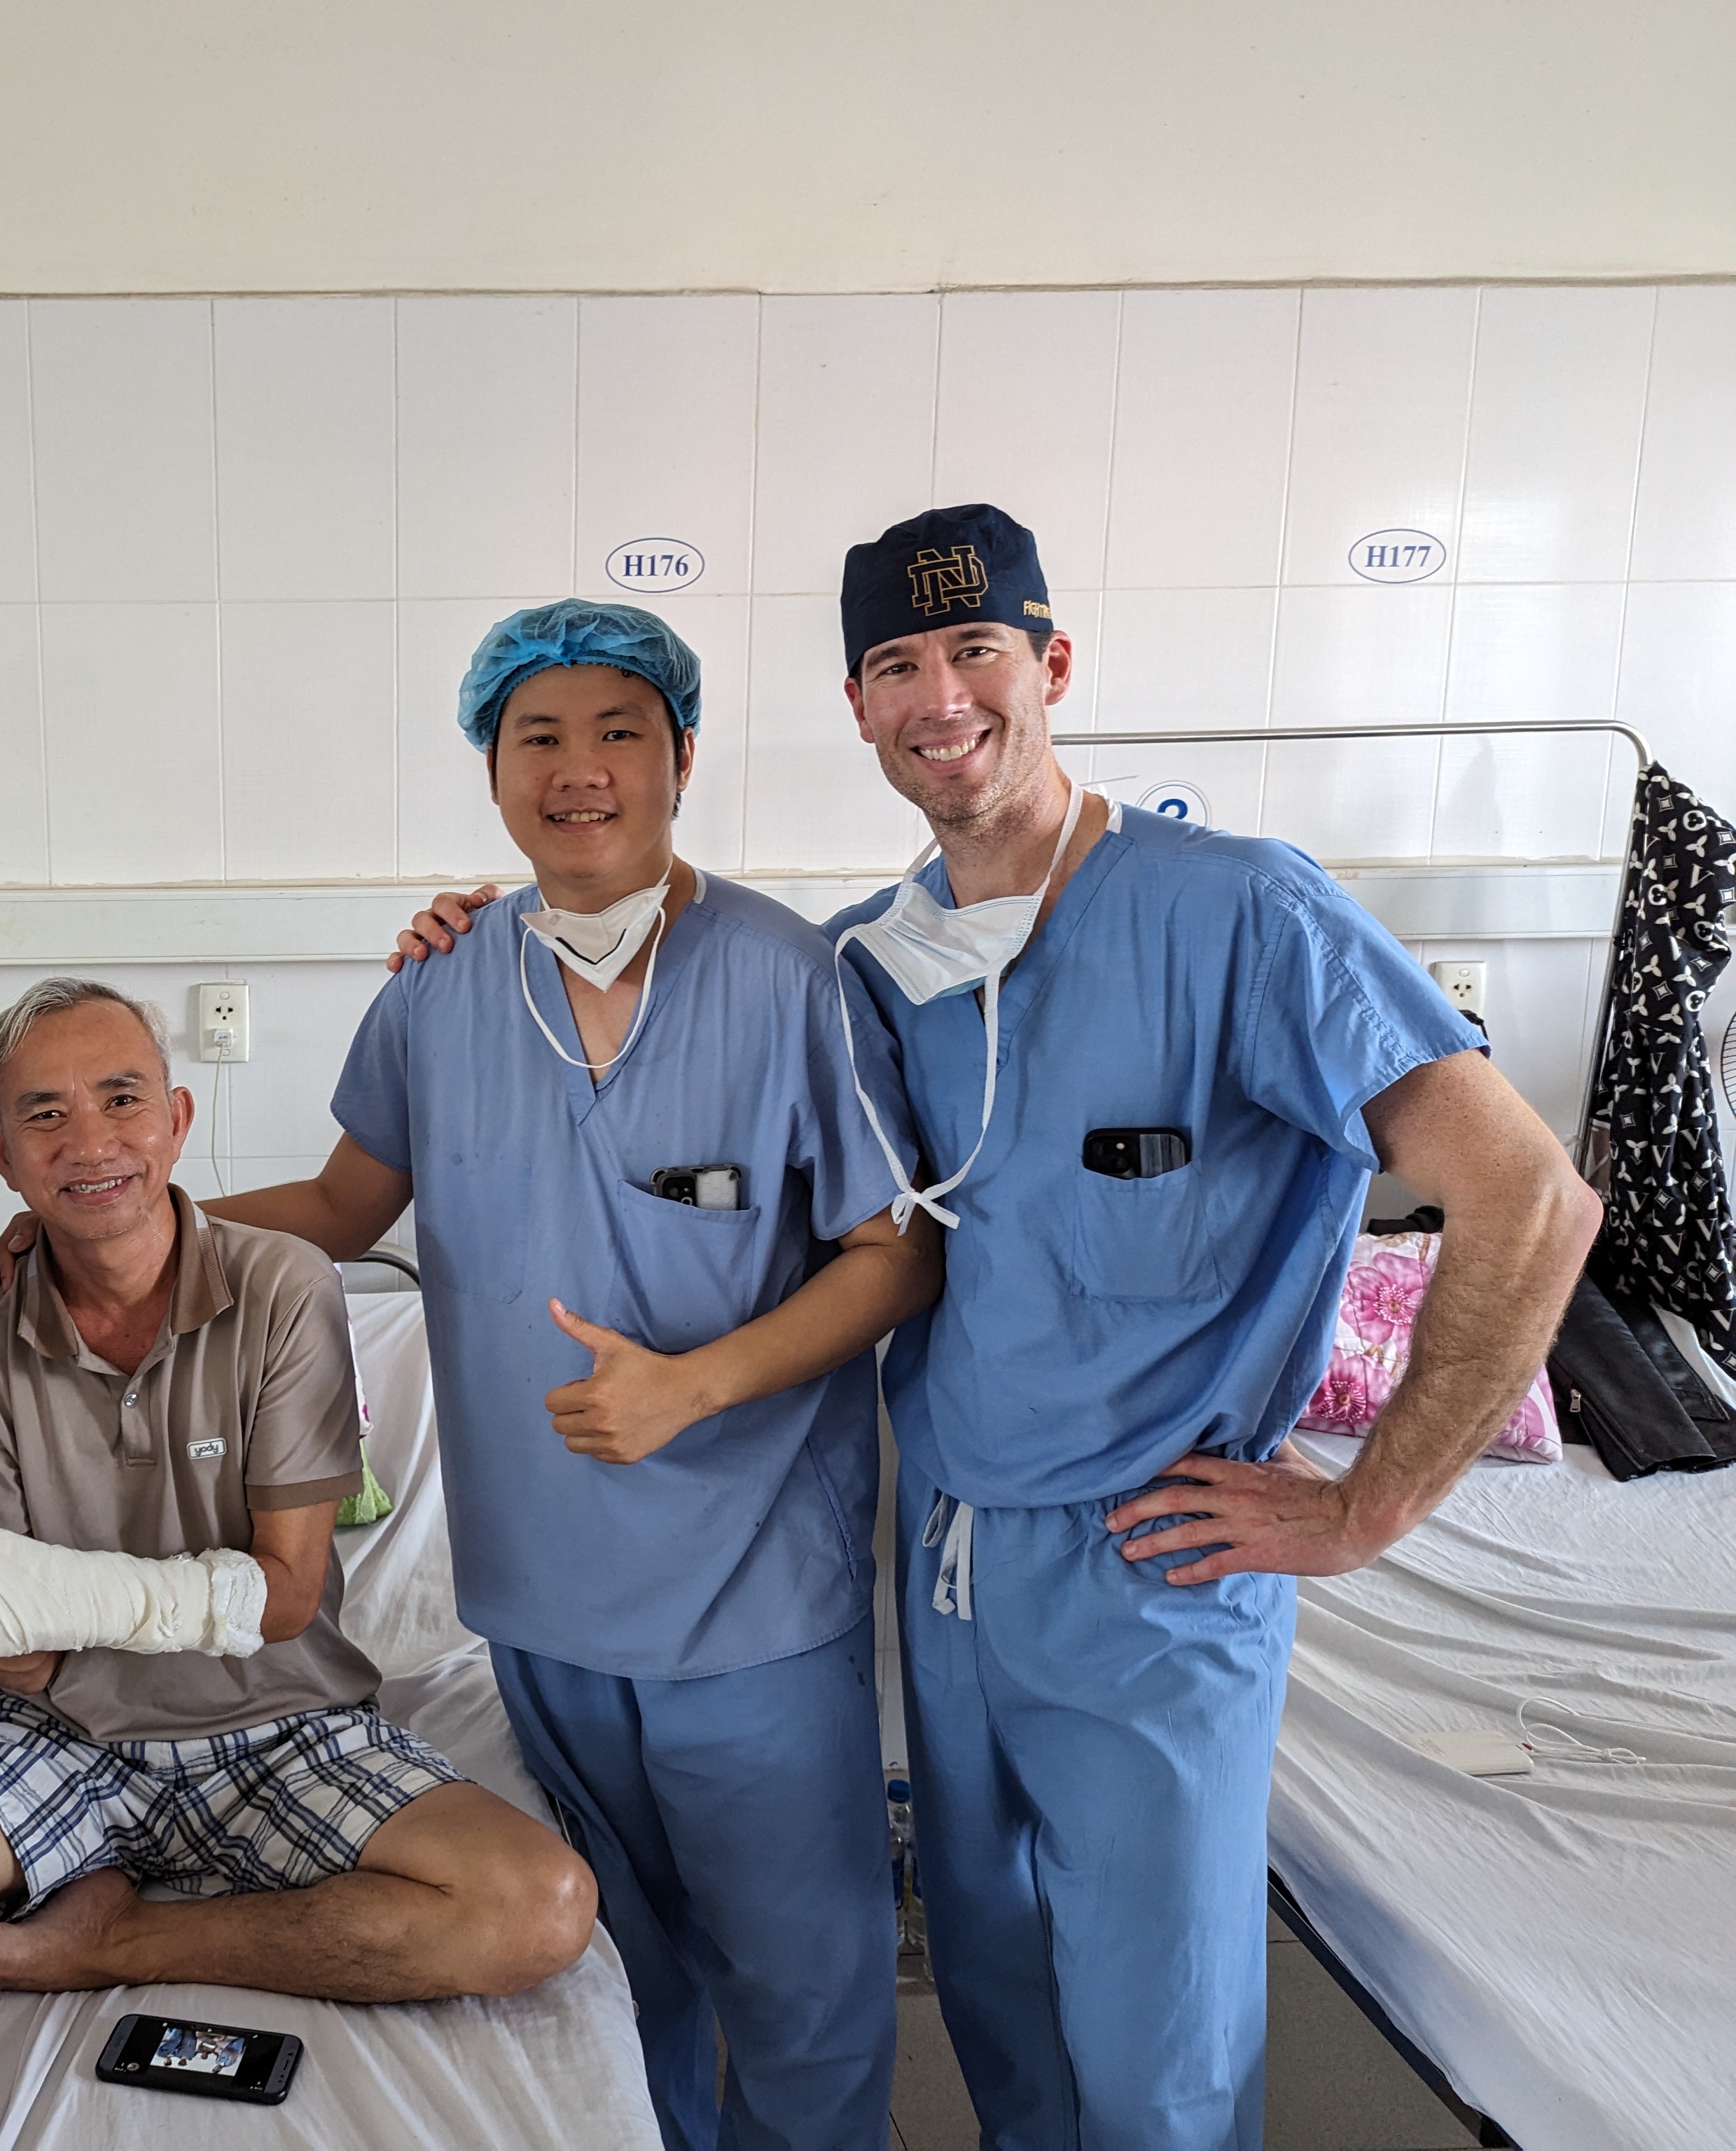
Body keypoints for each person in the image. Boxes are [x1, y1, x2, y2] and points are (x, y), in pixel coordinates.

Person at [398, 510, 1602, 2150]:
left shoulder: (1244, 915)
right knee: (998, 2013)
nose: (940, 696)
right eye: (898, 664)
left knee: (1158, 2057)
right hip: (952, 1557)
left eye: (976, 653)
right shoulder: (872, 967)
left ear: (1051, 665)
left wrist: (1366, 1504)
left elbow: (1531, 1199)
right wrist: (472, 928)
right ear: (858, 703)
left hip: (1157, 1571)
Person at [178, 601, 943, 2151]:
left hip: (750, 1602)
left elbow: (896, 1253)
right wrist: (120, 1221)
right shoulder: (442, 989)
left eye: (620, 734)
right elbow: (343, 1211)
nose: (580, 769)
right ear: (492, 766)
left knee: (802, 1994)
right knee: (625, 1989)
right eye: (540, 736)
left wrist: (694, 1386)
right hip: (540, 1601)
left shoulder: (792, 982)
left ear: (678, 760)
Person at [0, 979, 595, 2151]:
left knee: (539, 1909)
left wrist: (18, 1602)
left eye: (121, 1099)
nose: (91, 1142)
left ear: (180, 1119)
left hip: (287, 1719)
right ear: (0, 1155)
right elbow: (29, 1652)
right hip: (66, 1735)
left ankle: (113, 1938)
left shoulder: (285, 1285)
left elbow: (287, 1593)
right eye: (44, 1117)